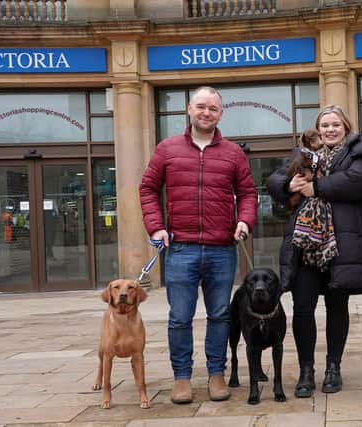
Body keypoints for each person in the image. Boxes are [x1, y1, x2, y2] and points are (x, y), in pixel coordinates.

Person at [139, 86, 258, 404]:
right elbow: (148, 188)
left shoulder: (233, 153)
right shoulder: (167, 149)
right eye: (202, 107)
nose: (207, 113)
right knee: (180, 316)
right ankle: (182, 378)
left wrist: (245, 220)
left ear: (221, 114)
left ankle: (217, 374)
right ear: (189, 109)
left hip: (222, 248)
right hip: (181, 248)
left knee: (220, 314)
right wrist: (157, 227)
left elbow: (248, 193)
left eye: (214, 109)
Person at [267, 105, 362, 398]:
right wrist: (288, 184)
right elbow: (274, 179)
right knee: (302, 308)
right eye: (324, 126)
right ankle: (307, 370)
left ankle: (333, 367)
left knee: (336, 307)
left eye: (335, 125)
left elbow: (358, 181)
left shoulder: (359, 152)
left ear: (345, 127)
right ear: (317, 131)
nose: (330, 130)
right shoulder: (302, 154)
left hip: (339, 246)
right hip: (305, 246)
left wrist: (315, 187)